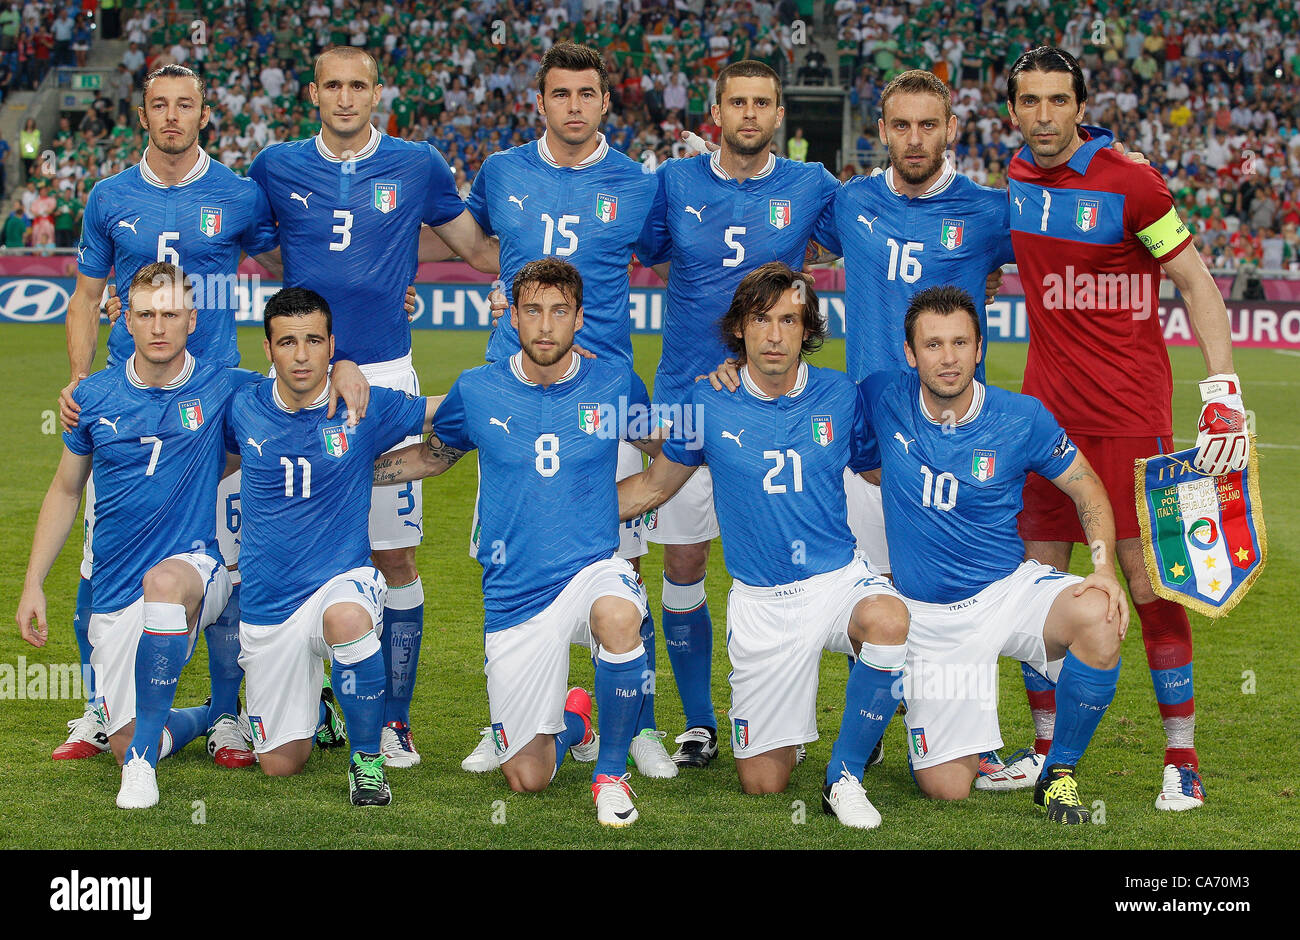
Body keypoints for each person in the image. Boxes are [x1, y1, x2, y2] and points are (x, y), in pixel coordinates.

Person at [1004, 47, 1246, 811]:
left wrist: (1223, 391)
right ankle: (1046, 756)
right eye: (1030, 101)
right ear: (1013, 110)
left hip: (1130, 419)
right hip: (1045, 422)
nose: (1043, 116)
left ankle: (1182, 758)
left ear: (1082, 107)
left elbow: (1197, 281)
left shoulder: (1132, 181)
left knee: (1147, 585)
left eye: (1057, 100)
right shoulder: (1012, 180)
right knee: (1038, 586)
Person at [247, 45, 499, 770]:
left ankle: (392, 720)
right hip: (299, 373)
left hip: (387, 375)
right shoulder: (276, 166)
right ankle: (287, 701)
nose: (347, 98)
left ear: (379, 92)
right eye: (333, 85)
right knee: (288, 549)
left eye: (360, 86)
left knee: (393, 552)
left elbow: (477, 252)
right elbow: (269, 258)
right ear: (313, 92)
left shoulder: (417, 164)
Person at [447, 41, 674, 779]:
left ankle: (632, 726)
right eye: (560, 94)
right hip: (511, 383)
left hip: (605, 393)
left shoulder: (638, 184)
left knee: (624, 559)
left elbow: (681, 259)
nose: (574, 107)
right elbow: (482, 249)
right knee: (506, 546)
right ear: (538, 102)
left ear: (606, 103)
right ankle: (507, 717)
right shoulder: (502, 171)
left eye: (587, 94)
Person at [620, 263, 911, 829]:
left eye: (788, 320)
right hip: (762, 603)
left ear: (807, 330)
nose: (774, 335)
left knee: (888, 620)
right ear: (739, 331)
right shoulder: (706, 404)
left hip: (837, 582)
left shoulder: (840, 396)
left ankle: (844, 774)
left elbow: (883, 477)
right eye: (761, 320)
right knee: (763, 783)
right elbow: (653, 488)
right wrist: (553, 508)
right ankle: (795, 730)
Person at [56, 64, 288, 769]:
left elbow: (292, 265)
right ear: (144, 115)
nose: (172, 116)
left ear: (203, 114)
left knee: (226, 562)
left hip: (213, 406)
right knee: (101, 562)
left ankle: (225, 715)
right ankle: (103, 706)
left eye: (184, 105)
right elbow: (83, 294)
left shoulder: (238, 194)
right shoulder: (108, 197)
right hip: (127, 406)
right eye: (159, 105)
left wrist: (386, 297)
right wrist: (77, 378)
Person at [378, 260, 656, 826]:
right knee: (526, 777)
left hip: (590, 570)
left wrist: (639, 495)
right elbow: (433, 457)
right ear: (514, 319)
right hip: (514, 593)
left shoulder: (614, 381)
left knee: (619, 614)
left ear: (580, 317)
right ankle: (577, 717)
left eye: (559, 311)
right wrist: (353, 472)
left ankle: (610, 775)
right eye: (532, 310)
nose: (546, 325)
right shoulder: (477, 388)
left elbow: (668, 443)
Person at [636, 59, 840, 767]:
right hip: (687, 399)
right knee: (685, 560)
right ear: (715, 111)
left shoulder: (812, 186)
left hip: (777, 406)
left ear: (780, 114)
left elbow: (878, 228)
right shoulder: (674, 181)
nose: (749, 114)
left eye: (762, 103)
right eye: (737, 102)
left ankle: (823, 715)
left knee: (804, 558)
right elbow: (618, 248)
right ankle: (698, 721)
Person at [860, 285, 1127, 823]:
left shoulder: (1021, 417)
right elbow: (798, 394)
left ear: (980, 347)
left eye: (961, 342)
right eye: (933, 345)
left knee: (1099, 615)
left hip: (1007, 594)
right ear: (910, 354)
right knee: (946, 789)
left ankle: (1059, 772)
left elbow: (1086, 487)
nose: (949, 357)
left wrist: (1102, 567)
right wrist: (729, 368)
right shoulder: (881, 395)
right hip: (929, 618)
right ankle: (944, 724)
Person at [16, 264, 252, 809]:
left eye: (170, 313)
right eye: (146, 314)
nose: (159, 326)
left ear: (192, 319)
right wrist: (34, 584)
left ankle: (143, 769)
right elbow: (65, 491)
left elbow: (298, 391)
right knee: (123, 738)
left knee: (165, 583)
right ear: (125, 317)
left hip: (195, 569)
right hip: (116, 592)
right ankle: (204, 718)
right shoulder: (91, 398)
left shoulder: (222, 383)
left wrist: (351, 367)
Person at [224, 287, 440, 807]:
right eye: (288, 342)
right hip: (269, 604)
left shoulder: (362, 405)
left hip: (339, 583)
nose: (301, 355)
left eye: (314, 342)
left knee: (347, 619)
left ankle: (366, 761)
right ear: (268, 350)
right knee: (280, 764)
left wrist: (523, 375)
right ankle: (320, 710)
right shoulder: (240, 406)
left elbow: (446, 415)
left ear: (331, 346)